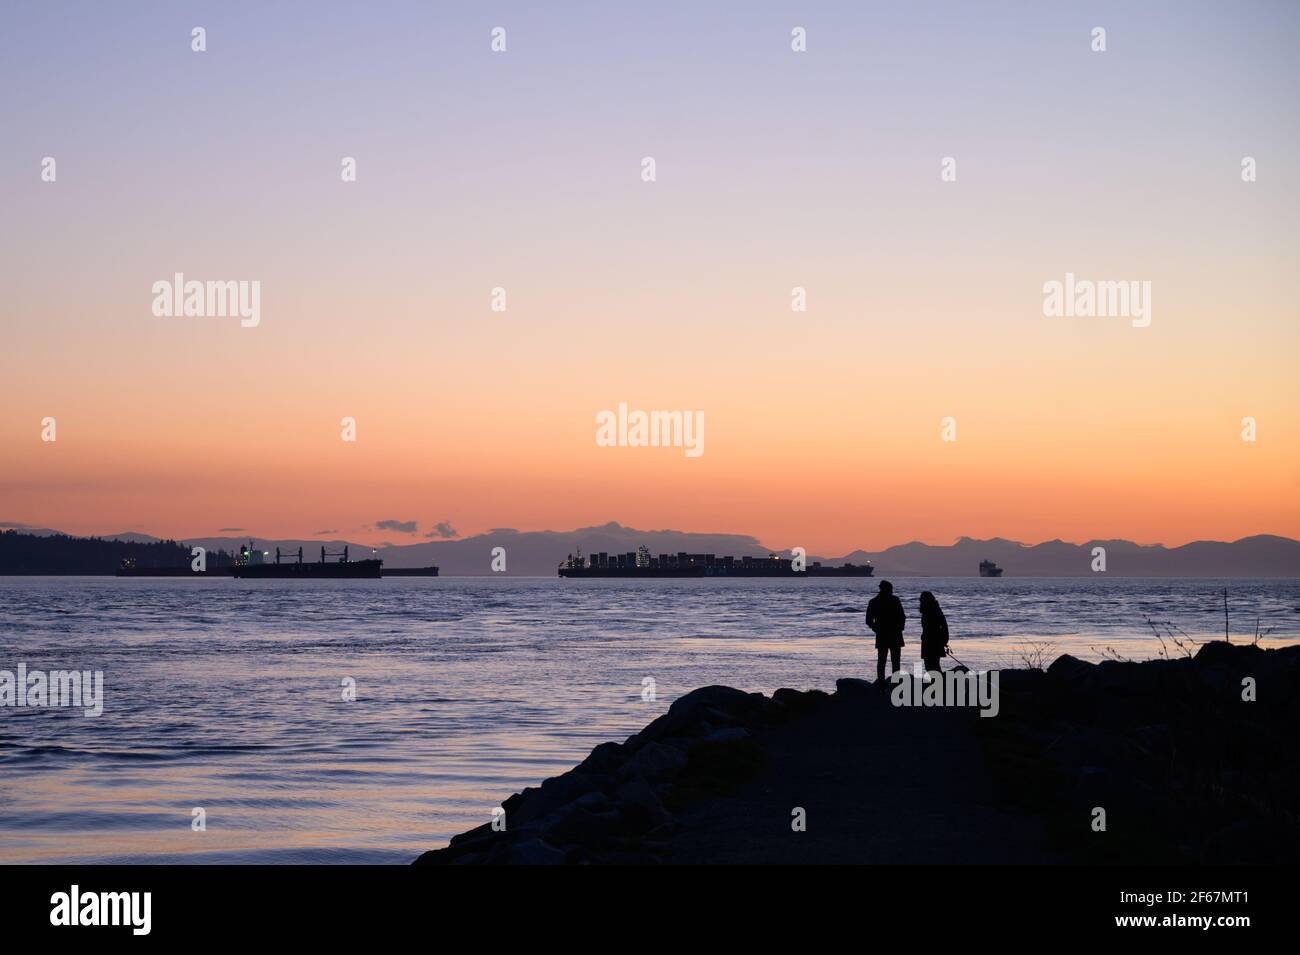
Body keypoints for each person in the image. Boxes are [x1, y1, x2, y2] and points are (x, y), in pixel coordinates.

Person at [865, 580, 906, 684]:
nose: (892, 591)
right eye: (890, 589)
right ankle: (895, 684)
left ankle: (881, 684)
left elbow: (868, 620)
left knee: (882, 661)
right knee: (895, 661)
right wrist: (900, 628)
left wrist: (876, 628)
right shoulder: (894, 600)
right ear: (886, 589)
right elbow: (902, 616)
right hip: (894, 634)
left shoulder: (874, 601)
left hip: (883, 634)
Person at [918, 591, 949, 673]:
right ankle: (937, 682)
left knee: (932, 665)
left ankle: (938, 683)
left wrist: (944, 640)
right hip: (929, 640)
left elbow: (944, 625)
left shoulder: (934, 609)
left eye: (922, 599)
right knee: (931, 665)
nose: (920, 601)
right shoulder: (928, 610)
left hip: (934, 641)